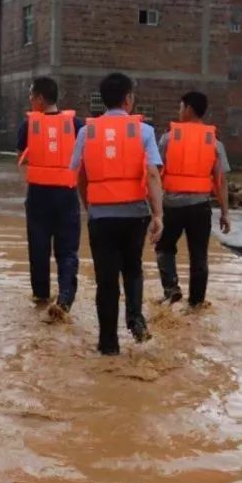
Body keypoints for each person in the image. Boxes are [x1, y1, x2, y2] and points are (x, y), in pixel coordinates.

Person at [71, 72, 164, 355]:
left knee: (106, 280)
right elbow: (152, 174)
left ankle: (108, 344)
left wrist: (90, 205)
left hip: (101, 216)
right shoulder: (144, 131)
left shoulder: (87, 132)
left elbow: (79, 172)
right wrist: (158, 214)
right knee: (133, 268)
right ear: (128, 99)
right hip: (135, 214)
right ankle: (135, 320)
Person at [156, 91, 232, 308]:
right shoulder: (214, 141)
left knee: (164, 248)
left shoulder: (168, 138)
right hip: (200, 207)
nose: (179, 112)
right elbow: (221, 181)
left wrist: (154, 211)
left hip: (172, 206)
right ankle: (196, 303)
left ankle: (171, 289)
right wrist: (225, 213)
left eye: (180, 107)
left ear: (188, 109)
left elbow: (155, 171)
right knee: (199, 255)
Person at [17, 76, 83, 321]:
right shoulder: (76, 124)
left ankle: (41, 298)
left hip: (38, 195)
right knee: (67, 251)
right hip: (66, 193)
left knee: (39, 249)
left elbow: (22, 162)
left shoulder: (28, 126)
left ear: (41, 99)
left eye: (32, 96)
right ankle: (65, 298)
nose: (30, 100)